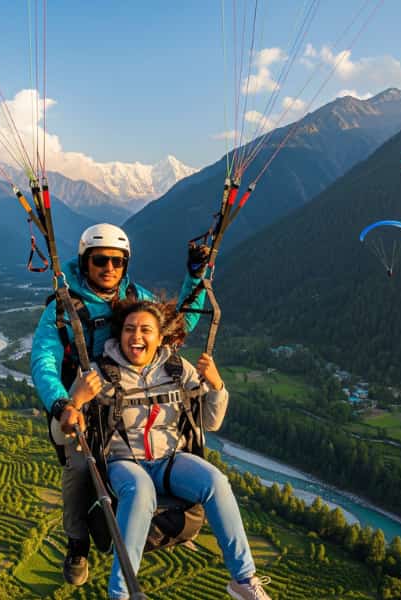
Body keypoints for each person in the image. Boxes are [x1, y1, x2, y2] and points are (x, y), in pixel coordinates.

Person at [30, 223, 209, 585]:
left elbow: (177, 327)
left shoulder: (134, 296)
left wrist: (195, 277)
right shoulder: (63, 309)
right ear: (85, 262)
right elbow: (44, 361)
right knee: (80, 464)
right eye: (101, 260)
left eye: (117, 261)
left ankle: (160, 517)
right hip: (82, 402)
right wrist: (64, 403)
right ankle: (77, 542)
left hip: (129, 400)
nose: (109, 268)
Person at [67, 300, 271, 600]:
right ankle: (120, 594)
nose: (136, 336)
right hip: (122, 461)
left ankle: (243, 579)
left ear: (160, 337)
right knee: (140, 490)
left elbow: (210, 422)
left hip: (169, 459)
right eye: (129, 329)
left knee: (216, 481)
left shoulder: (177, 369)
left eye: (145, 330)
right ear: (119, 334)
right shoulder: (98, 373)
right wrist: (76, 400)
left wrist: (216, 386)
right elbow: (67, 431)